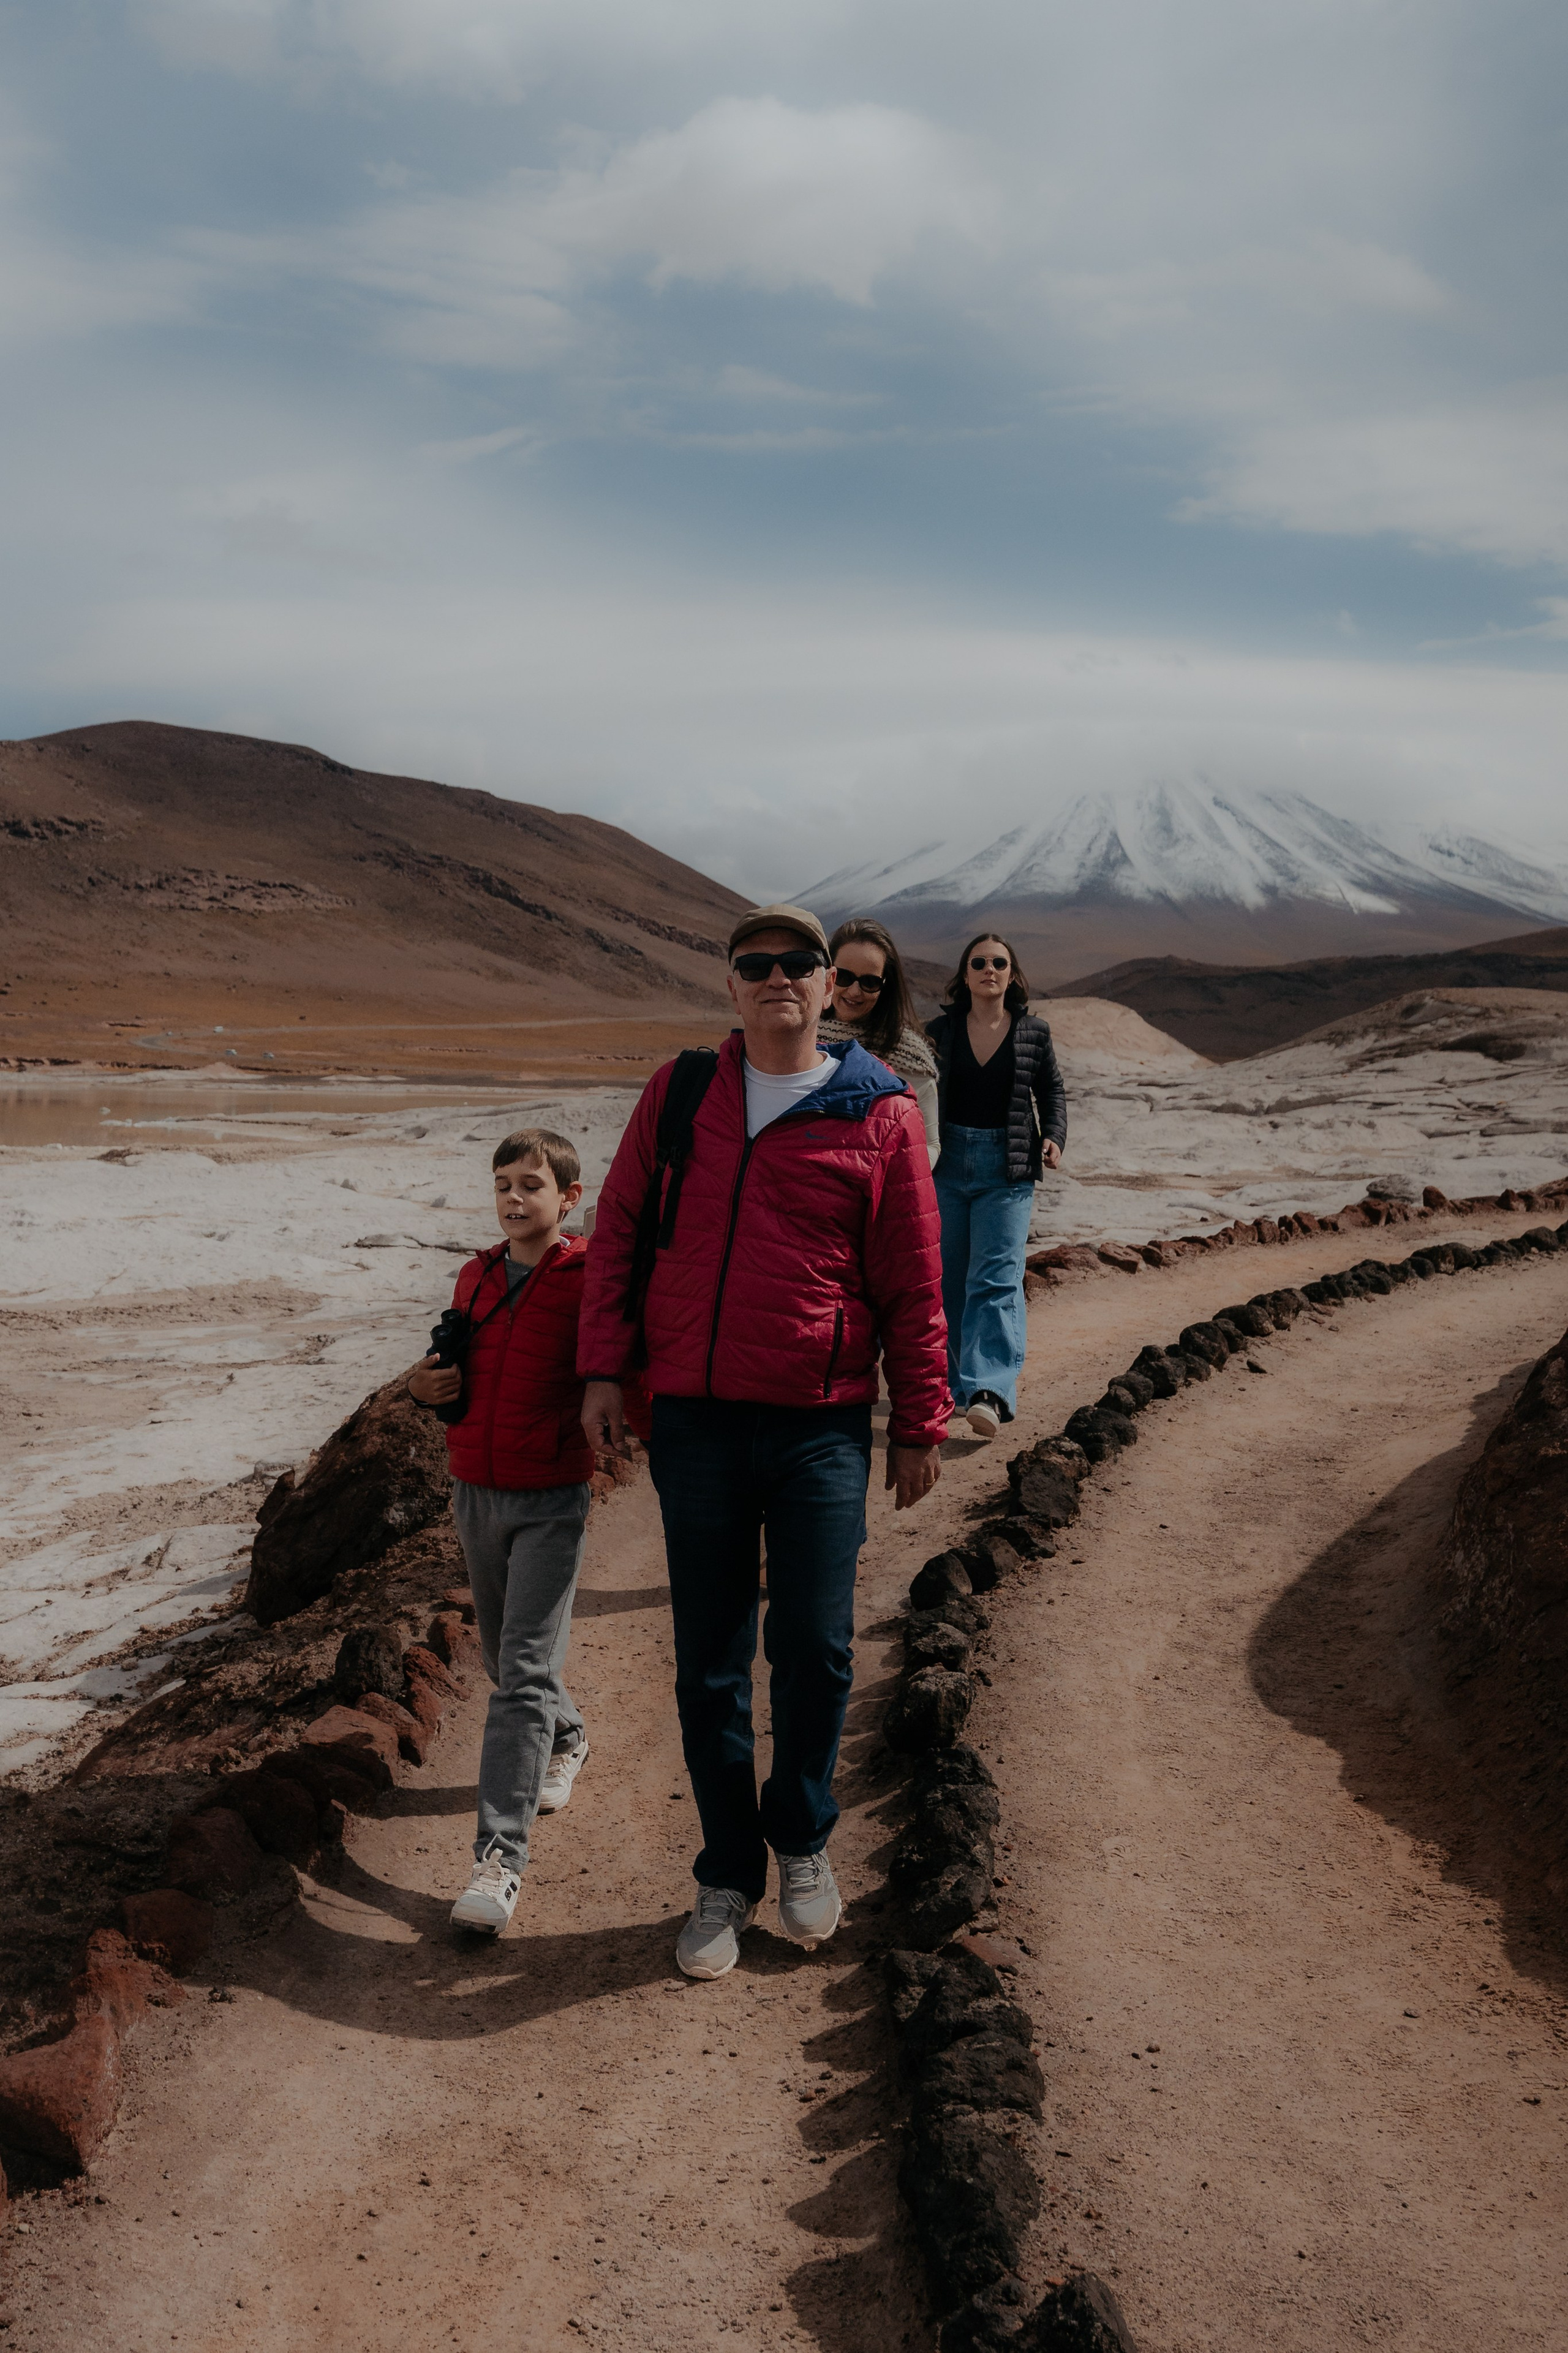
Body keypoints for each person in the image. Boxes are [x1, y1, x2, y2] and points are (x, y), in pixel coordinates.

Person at [578, 904, 949, 1982]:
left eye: (800, 964)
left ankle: (802, 1838)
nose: (779, 978)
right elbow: (616, 1230)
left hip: (819, 1423)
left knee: (818, 1649)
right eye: (758, 965)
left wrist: (919, 1418)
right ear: (731, 985)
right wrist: (606, 1369)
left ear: (832, 986)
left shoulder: (876, 1112)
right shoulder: (681, 1091)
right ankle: (727, 1872)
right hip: (692, 1418)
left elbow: (913, 1286)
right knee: (708, 1665)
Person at [407, 1128, 645, 1936]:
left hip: (549, 1498)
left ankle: (499, 1860)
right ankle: (569, 1734)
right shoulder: (474, 1275)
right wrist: (424, 1386)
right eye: (504, 1183)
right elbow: (461, 1381)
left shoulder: (587, 1281)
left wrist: (643, 1437)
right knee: (516, 1654)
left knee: (519, 1678)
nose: (515, 1199)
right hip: (475, 1488)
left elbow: (624, 1368)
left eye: (532, 1185)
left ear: (568, 1198)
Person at [925, 933, 1066, 1441]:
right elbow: (918, 1091)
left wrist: (1054, 1136)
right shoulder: (938, 1031)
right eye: (979, 962)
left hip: (1008, 1168)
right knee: (950, 1278)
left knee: (996, 1277)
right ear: (965, 974)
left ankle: (990, 1389)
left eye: (999, 962)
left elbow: (1050, 1090)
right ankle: (958, 1387)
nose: (989, 969)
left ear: (1013, 974)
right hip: (948, 1164)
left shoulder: (1033, 1032)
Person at [818, 916, 940, 1159]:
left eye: (870, 982)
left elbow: (930, 1145)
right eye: (844, 977)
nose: (855, 991)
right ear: (828, 975)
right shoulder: (799, 1039)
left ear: (886, 987)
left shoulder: (909, 1056)